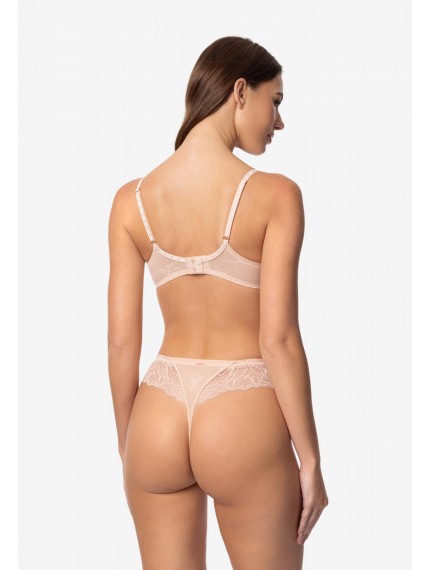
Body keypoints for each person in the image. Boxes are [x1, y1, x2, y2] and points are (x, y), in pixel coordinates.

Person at [107, 35, 328, 570]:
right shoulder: (276, 195)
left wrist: (129, 445)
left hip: (157, 413)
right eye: (276, 101)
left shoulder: (131, 201)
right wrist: (310, 459)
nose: (279, 122)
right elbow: (278, 340)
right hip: (240, 415)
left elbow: (120, 344)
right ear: (240, 91)